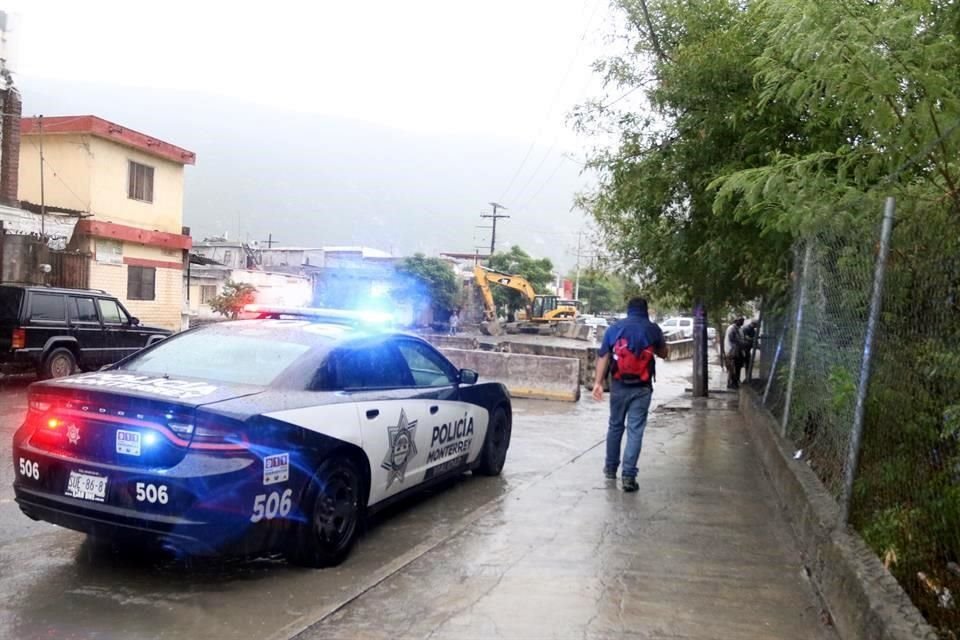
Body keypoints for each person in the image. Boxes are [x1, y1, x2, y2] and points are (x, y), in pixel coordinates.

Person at [592, 297, 668, 492]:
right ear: (646, 310)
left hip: (618, 385)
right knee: (635, 430)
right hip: (642, 387)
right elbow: (664, 353)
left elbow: (604, 356)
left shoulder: (615, 328)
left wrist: (598, 383)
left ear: (628, 310)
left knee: (615, 426)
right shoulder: (652, 329)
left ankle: (610, 469)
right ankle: (628, 476)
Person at [724, 317, 746, 389]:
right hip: (732, 352)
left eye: (743, 321)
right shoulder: (732, 329)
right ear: (737, 321)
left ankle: (735, 382)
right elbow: (733, 339)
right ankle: (732, 384)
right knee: (733, 368)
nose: (743, 323)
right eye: (741, 321)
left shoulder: (738, 328)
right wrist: (743, 343)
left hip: (736, 351)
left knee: (737, 368)